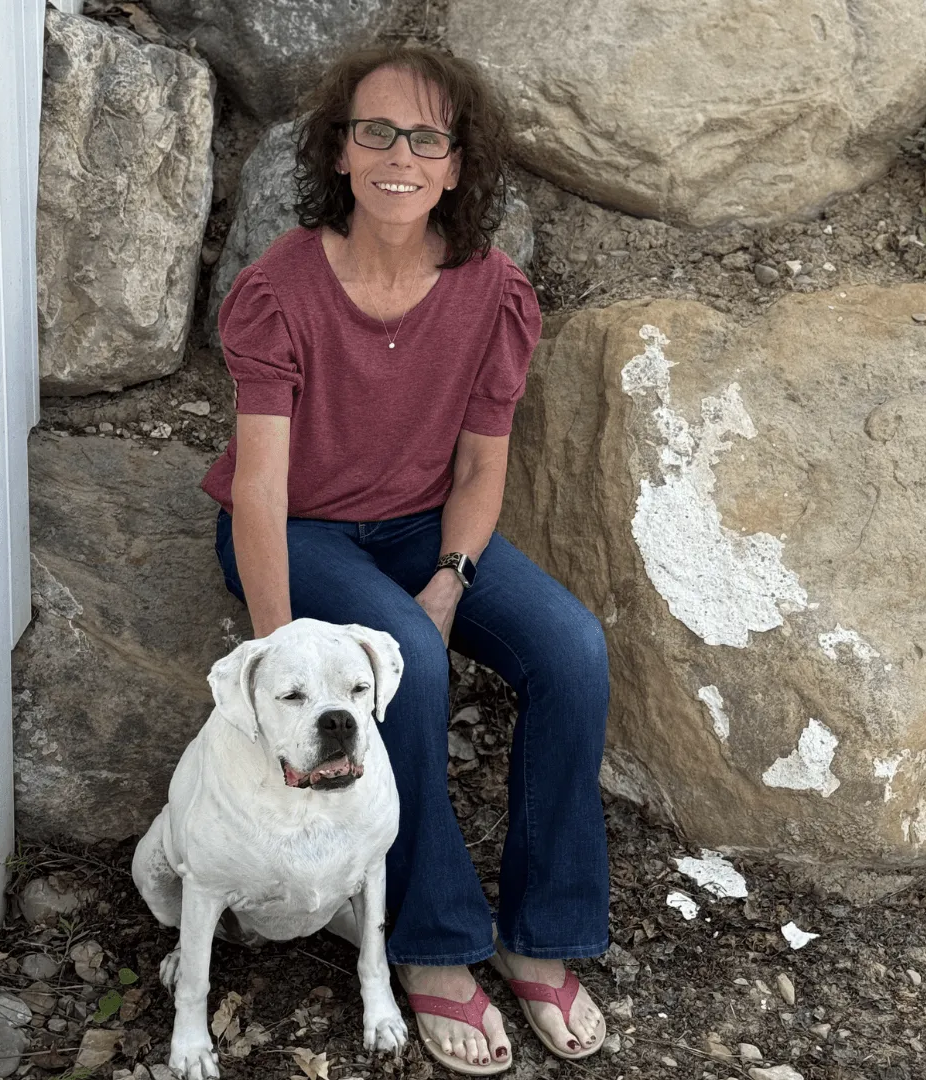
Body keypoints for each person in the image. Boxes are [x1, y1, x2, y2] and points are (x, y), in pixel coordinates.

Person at [201, 44, 610, 1076]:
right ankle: (430, 947)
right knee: (413, 669)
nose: (399, 154)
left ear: (458, 165)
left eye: (427, 138)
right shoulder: (279, 290)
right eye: (375, 131)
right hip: (297, 527)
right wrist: (278, 651)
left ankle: (543, 932)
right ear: (340, 150)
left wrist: (450, 579)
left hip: (425, 527)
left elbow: (480, 471)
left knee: (572, 649)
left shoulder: (492, 292)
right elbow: (258, 486)